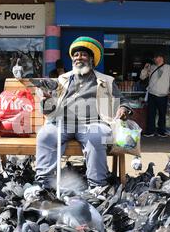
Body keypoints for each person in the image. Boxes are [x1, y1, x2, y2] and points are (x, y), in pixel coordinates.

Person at [35, 36, 133, 189]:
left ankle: (97, 186)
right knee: (45, 134)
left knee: (96, 136)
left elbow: (122, 101)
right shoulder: (62, 80)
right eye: (76, 55)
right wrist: (47, 99)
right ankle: (43, 184)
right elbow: (48, 110)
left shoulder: (106, 81)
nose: (78, 58)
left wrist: (123, 109)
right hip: (63, 122)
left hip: (93, 123)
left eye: (83, 55)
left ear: (92, 59)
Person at [140, 53, 170, 137]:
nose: (157, 59)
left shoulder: (169, 68)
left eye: (159, 57)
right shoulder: (151, 67)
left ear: (162, 58)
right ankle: (150, 131)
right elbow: (142, 77)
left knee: (162, 114)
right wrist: (145, 69)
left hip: (163, 94)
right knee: (151, 114)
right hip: (152, 94)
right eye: (155, 57)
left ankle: (161, 131)